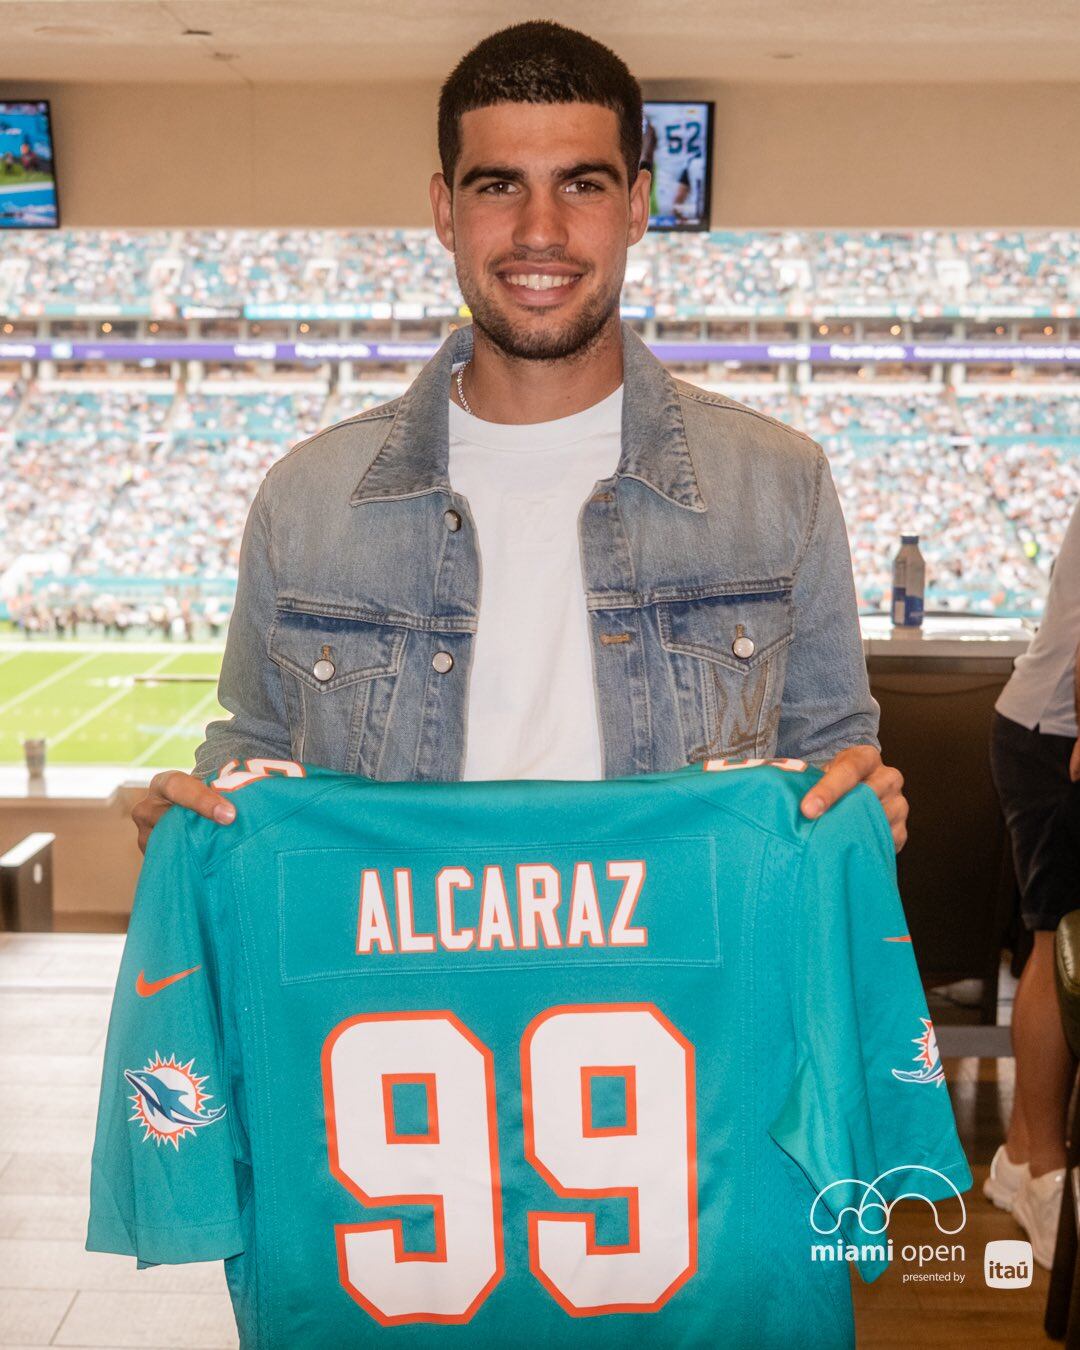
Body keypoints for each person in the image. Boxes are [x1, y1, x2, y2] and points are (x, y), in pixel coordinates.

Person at [131, 20, 907, 856]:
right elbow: (256, 750)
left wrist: (865, 808)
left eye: (582, 186)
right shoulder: (309, 499)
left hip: (676, 986)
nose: (541, 231)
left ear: (638, 206)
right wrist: (195, 817)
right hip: (408, 982)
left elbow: (830, 757)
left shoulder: (778, 483)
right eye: (500, 186)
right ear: (445, 209)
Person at [985, 495, 1080, 1268]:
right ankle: (1044, 1167)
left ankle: (1020, 1157)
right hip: (1056, 739)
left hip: (1052, 732)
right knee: (1060, 938)